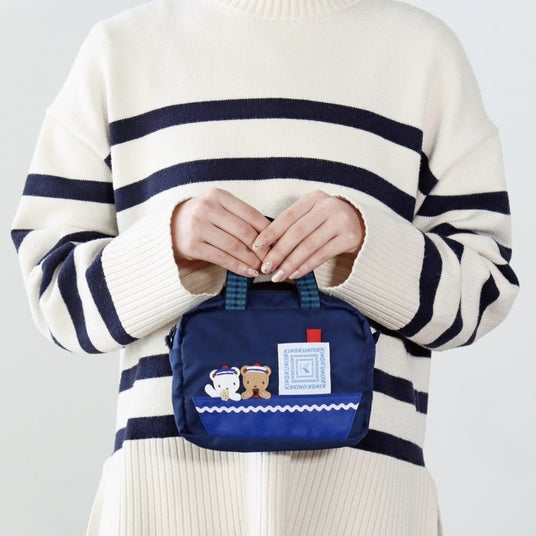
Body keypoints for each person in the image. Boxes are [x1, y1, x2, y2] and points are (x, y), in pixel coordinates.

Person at [11, 0, 519, 534]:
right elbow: (55, 298)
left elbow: (484, 292)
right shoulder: (120, 50)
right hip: (162, 502)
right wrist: (169, 248)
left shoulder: (423, 53)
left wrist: (367, 246)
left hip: (367, 507)